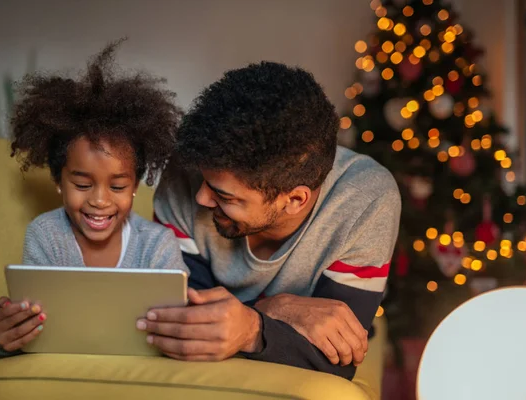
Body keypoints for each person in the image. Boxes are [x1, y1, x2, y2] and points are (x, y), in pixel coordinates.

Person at [137, 61, 401, 380]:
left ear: (294, 200)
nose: (201, 199)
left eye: (225, 195)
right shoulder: (186, 173)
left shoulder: (365, 201)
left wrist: (250, 329)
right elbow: (181, 323)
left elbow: (339, 357)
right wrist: (272, 311)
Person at [0, 40, 187, 356]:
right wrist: (0, 339)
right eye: (82, 185)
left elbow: (181, 331)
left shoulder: (158, 245)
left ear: (135, 186)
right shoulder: (45, 235)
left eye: (118, 187)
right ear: (58, 181)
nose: (100, 201)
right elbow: (31, 330)